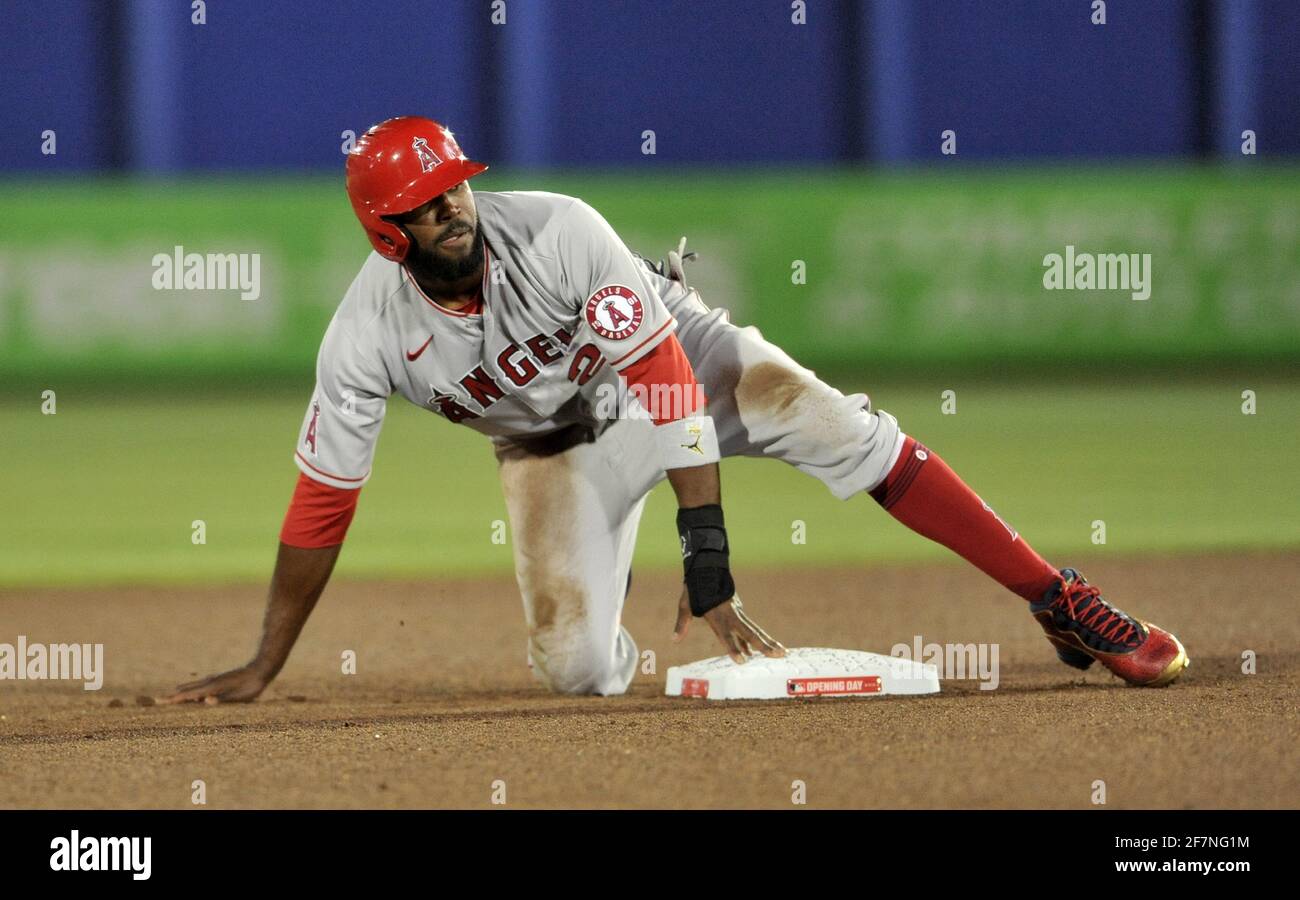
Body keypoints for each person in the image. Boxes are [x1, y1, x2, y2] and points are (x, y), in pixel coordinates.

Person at [162, 117, 1187, 704]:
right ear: (387, 235)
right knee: (572, 670)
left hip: (674, 359)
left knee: (838, 426)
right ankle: (624, 629)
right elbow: (321, 503)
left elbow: (661, 379)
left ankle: (1056, 595)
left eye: (456, 188)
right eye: (425, 206)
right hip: (550, 446)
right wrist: (266, 663)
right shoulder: (366, 335)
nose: (454, 209)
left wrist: (708, 561)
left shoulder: (559, 227)